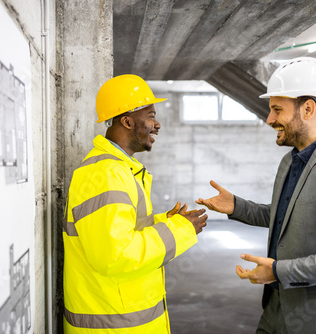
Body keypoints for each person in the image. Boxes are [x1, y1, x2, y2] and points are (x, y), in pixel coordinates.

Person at [196, 57, 316, 334]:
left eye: (277, 110)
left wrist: (279, 271)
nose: (270, 119)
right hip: (279, 307)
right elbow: (289, 217)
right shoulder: (291, 161)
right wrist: (237, 206)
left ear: (307, 109)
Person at [63, 74, 208, 333]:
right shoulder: (105, 174)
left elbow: (124, 230)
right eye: (150, 115)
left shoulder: (118, 170)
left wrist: (168, 221)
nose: (157, 124)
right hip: (114, 325)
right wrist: (181, 230)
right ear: (127, 121)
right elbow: (115, 255)